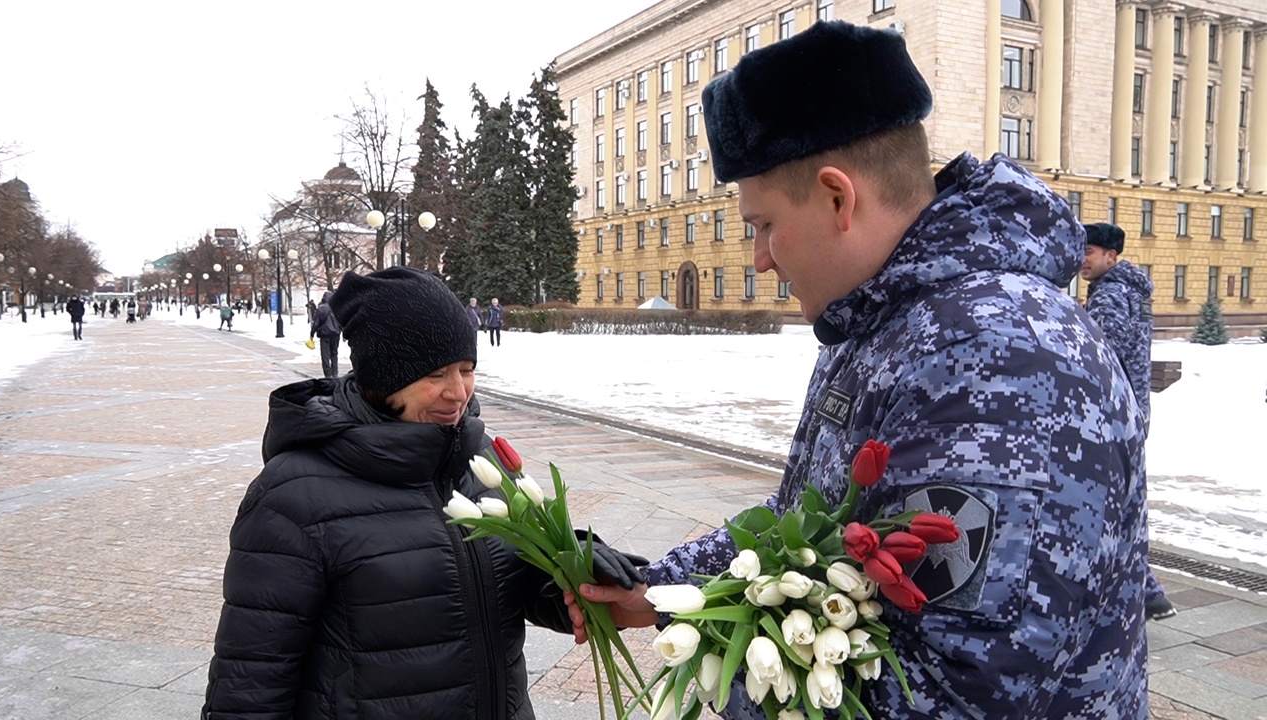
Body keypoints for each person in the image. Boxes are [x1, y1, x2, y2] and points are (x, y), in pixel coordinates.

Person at [574, 20, 1149, 719]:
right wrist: (663, 591)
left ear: (837, 197)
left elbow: (949, 692)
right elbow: (807, 529)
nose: (760, 258)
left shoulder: (993, 357)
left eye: (762, 225)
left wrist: (733, 692)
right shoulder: (885, 321)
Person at [202, 267, 643, 720]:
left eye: (467, 369)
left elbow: (512, 580)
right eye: (435, 374)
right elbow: (250, 680)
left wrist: (574, 569)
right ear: (383, 377)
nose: (458, 392)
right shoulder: (293, 495)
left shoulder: (480, 459)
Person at [1081, 222, 1175, 621]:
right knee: (1123, 504)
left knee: (1110, 506)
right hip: (1131, 413)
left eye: (1091, 252)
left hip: (1112, 416)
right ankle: (1150, 592)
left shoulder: (1111, 296)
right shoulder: (1128, 290)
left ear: (1110, 257)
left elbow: (1100, 357)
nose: (1082, 259)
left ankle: (1144, 592)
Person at [310, 290, 343, 379]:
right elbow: (341, 321)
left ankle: (328, 374)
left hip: (325, 335)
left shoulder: (320, 308)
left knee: (325, 355)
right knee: (334, 354)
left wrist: (312, 334)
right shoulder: (337, 308)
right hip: (336, 334)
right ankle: (335, 373)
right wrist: (343, 332)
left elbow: (316, 323)